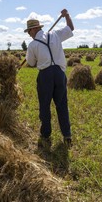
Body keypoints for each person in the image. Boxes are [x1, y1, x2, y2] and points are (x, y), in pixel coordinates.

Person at [24, 9, 74, 149]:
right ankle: (67, 135)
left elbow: (31, 63)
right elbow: (70, 28)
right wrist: (67, 16)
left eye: (29, 31)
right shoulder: (55, 35)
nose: (29, 34)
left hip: (45, 76)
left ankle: (46, 135)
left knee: (44, 106)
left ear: (35, 29)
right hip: (59, 74)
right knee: (62, 105)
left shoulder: (32, 45)